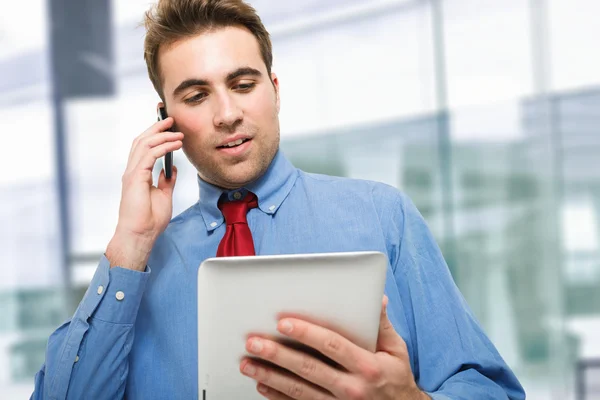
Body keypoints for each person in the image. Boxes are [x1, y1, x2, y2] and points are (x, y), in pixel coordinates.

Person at [32, 0, 526, 399]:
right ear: (167, 120)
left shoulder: (382, 215)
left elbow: (492, 390)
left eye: (243, 85)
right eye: (197, 96)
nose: (227, 113)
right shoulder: (138, 266)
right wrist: (130, 245)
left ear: (274, 90)